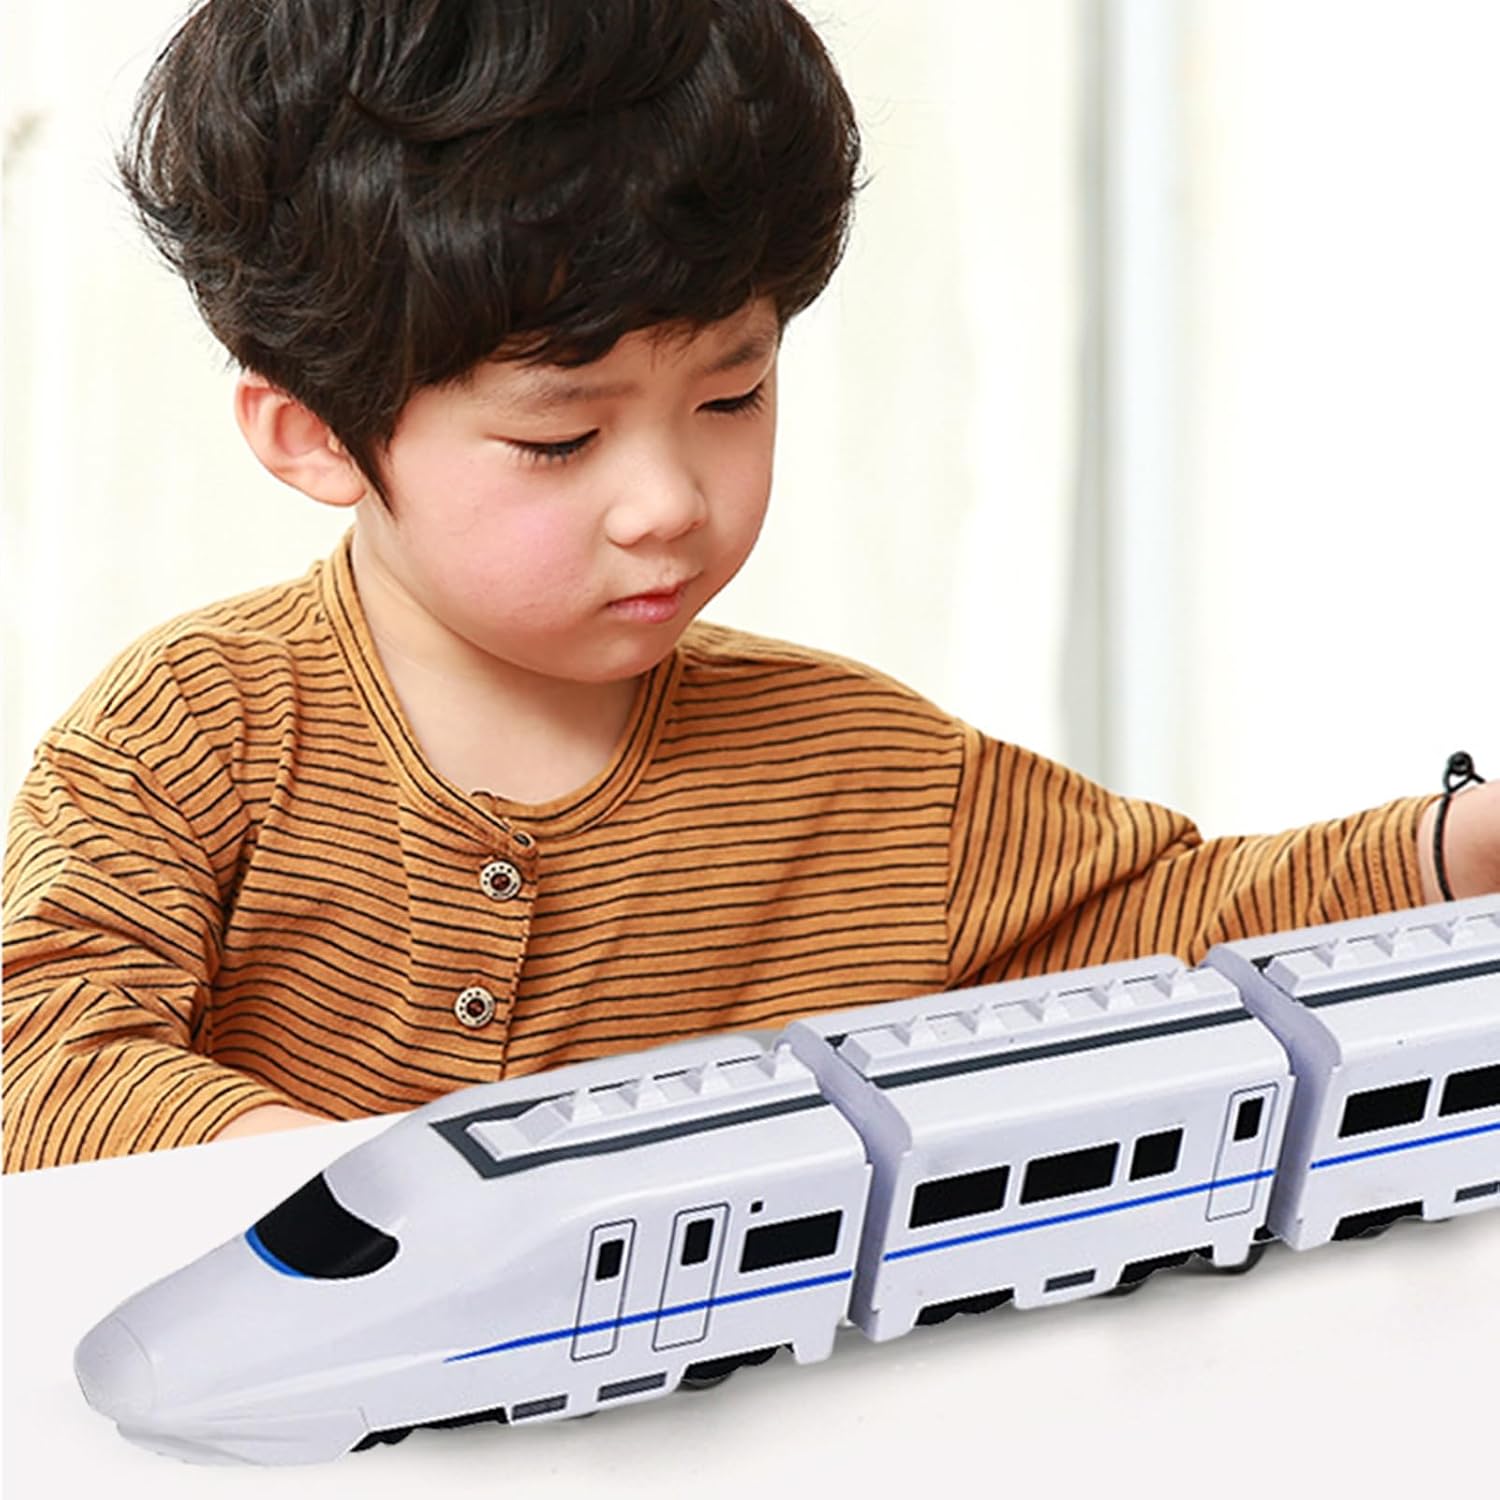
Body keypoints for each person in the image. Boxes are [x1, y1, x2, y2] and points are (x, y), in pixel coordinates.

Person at [4, 0, 1495, 1174]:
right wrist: (366, 1194)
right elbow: (42, 1055)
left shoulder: (866, 771)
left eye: (733, 396)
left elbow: (1169, 919)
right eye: (560, 439)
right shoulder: (196, 726)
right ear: (313, 432)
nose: (670, 501)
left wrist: (1455, 848)